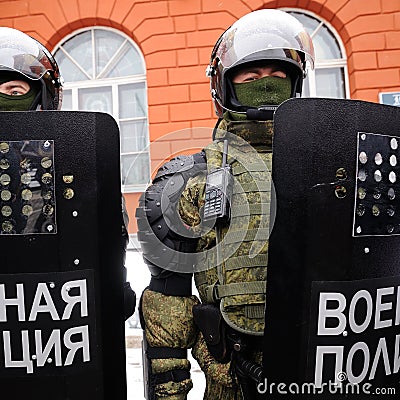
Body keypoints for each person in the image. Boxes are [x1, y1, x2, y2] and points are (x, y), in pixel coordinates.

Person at [136, 9, 315, 400]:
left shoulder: (332, 171)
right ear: (225, 86)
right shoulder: (189, 182)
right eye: (250, 77)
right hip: (235, 377)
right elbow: (168, 308)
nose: (264, 86)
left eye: (277, 76)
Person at [0, 26, 135, 319]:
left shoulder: (77, 168)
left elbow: (107, 242)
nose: (4, 101)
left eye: (15, 91)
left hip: (61, 322)